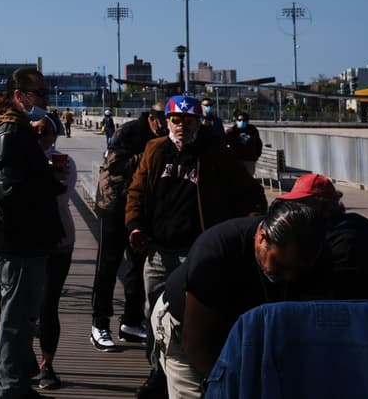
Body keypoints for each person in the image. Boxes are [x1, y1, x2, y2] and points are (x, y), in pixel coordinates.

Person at [126, 95, 266, 399]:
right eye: (176, 120)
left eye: (189, 120)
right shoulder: (154, 150)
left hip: (195, 254)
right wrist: (135, 225)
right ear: (166, 121)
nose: (182, 126)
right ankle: (158, 374)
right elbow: (136, 191)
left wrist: (249, 231)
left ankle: (196, 373)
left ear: (199, 123)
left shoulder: (215, 154)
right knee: (154, 317)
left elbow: (252, 194)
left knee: (193, 318)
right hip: (158, 251)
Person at [153, 200, 329, 399]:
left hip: (249, 332)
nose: (289, 277)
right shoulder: (215, 251)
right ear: (262, 238)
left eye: (297, 271)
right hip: (187, 329)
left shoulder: (313, 256)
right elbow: (196, 344)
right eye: (281, 266)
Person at [0, 67, 66, 399]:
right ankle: (11, 389)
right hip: (19, 243)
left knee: (23, 318)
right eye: (40, 93)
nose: (45, 99)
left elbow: (17, 181)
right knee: (16, 321)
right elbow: (11, 192)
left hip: (25, 242)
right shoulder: (11, 133)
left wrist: (47, 175)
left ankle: (17, 384)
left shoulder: (16, 130)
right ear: (19, 96)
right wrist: (46, 184)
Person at [91, 103, 167, 351]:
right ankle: (99, 324)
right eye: (161, 120)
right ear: (151, 118)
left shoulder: (167, 137)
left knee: (137, 265)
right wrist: (149, 156)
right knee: (108, 264)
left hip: (141, 208)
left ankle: (131, 322)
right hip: (114, 204)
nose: (164, 126)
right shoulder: (130, 131)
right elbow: (115, 164)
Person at [280, 173, 368, 301]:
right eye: (294, 205)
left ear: (326, 207)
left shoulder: (347, 241)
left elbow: (324, 290)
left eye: (302, 205)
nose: (295, 212)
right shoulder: (321, 233)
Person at [30, 111, 75, 391]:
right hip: (26, 242)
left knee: (48, 304)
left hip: (58, 242)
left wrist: (41, 178)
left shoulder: (64, 161)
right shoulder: (19, 158)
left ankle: (47, 364)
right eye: (34, 131)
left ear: (54, 135)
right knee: (25, 306)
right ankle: (25, 360)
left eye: (44, 132)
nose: (39, 136)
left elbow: (59, 197)